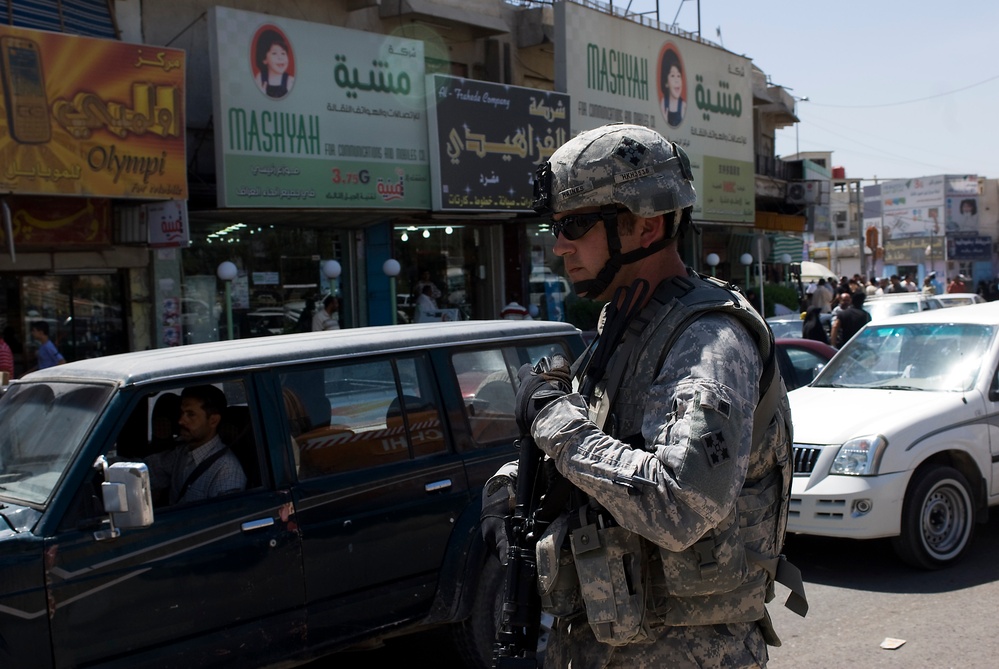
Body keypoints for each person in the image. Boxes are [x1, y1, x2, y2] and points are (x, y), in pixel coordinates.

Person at [482, 123, 804, 669]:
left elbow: (683, 503)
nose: (559, 245)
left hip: (685, 653)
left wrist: (556, 424)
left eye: (576, 225)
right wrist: (513, 488)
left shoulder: (707, 339)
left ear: (646, 226)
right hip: (605, 642)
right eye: (555, 227)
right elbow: (606, 447)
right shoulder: (628, 323)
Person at [146, 385, 246, 506]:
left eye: (191, 414)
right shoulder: (183, 452)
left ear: (213, 420)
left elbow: (221, 520)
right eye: (182, 413)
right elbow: (150, 471)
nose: (181, 421)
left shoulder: (226, 471)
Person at [255, 29, 295, 98]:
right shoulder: (260, 78)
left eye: (283, 53)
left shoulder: (290, 81)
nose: (280, 58)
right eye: (274, 53)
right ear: (264, 59)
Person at [659, 48, 685, 127]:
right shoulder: (664, 103)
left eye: (678, 76)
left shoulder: (683, 106)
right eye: (672, 76)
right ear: (666, 82)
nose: (677, 80)